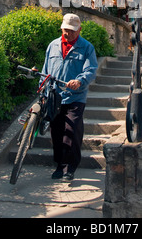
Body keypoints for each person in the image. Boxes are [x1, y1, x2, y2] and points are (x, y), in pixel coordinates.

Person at [41, 13, 98, 181]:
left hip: (75, 97)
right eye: (66, 30)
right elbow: (45, 70)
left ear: (79, 30)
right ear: (61, 28)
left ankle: (70, 167)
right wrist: (42, 89)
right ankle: (59, 165)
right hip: (55, 94)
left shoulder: (87, 48)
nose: (68, 34)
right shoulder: (53, 46)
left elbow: (91, 69)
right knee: (56, 132)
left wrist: (80, 81)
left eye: (72, 31)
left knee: (72, 130)